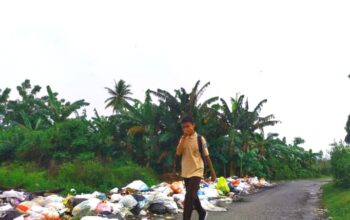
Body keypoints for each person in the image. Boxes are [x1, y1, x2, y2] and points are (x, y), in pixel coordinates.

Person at [174, 115, 217, 220]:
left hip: (197, 170)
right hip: (186, 171)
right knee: (193, 195)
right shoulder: (182, 139)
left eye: (188, 126)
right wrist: (183, 138)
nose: (186, 129)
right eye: (183, 127)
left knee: (188, 197)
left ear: (193, 125)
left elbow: (206, 156)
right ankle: (202, 213)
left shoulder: (200, 139)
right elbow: (178, 153)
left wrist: (213, 172)